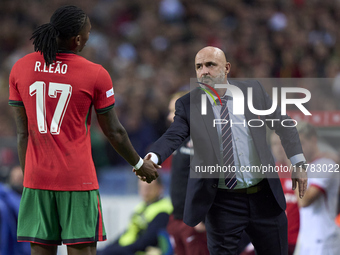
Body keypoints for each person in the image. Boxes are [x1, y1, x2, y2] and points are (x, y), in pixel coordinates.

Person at [8, 5, 159, 255]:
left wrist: (30, 180)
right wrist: (139, 163)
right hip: (77, 182)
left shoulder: (21, 68)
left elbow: (23, 134)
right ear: (78, 39)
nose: (89, 37)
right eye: (88, 32)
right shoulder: (95, 74)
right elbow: (115, 132)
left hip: (36, 181)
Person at [145, 46, 308, 255]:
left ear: (227, 68)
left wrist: (299, 164)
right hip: (222, 203)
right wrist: (154, 156)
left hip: (264, 197)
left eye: (210, 65)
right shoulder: (188, 105)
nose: (204, 71)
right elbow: (173, 135)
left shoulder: (253, 92)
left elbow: (284, 124)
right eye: (199, 66)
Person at [165, 92, 209, 255]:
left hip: (192, 221)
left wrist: (202, 217)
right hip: (177, 217)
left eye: (173, 112)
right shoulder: (178, 138)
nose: (170, 117)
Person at [296, 122, 340, 255]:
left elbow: (304, 201)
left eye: (301, 143)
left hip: (324, 241)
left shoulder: (326, 164)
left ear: (313, 139)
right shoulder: (308, 166)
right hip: (307, 239)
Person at [98, 177, 173, 255]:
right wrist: (107, 249)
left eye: (148, 188)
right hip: (127, 248)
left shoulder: (163, 210)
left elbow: (147, 241)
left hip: (137, 251)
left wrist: (114, 251)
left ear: (160, 188)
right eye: (142, 188)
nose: (145, 192)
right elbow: (128, 232)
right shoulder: (141, 207)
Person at [270, 132, 300, 255]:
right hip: (275, 241)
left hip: (300, 241)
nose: (278, 148)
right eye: (274, 144)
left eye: (282, 143)